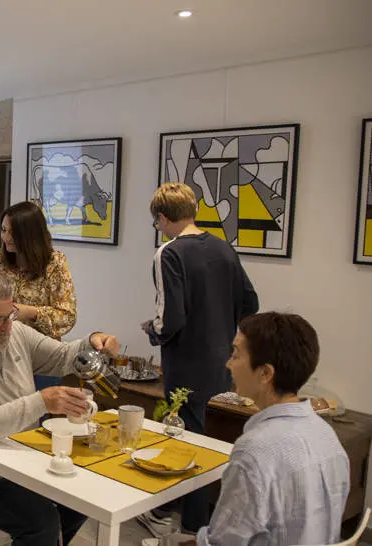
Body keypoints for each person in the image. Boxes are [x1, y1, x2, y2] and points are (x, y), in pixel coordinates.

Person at [0, 271, 120, 546]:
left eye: (10, 315)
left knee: (84, 497)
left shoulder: (15, 333)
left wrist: (92, 341)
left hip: (21, 455)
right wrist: (40, 401)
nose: (7, 326)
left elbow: (62, 357)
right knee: (41, 522)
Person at [139, 183, 259, 536]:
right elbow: (250, 303)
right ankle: (174, 511)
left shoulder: (169, 253)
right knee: (207, 438)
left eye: (156, 222)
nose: (158, 228)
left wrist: (152, 330)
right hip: (222, 361)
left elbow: (170, 319)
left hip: (186, 363)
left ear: (163, 217)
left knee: (188, 439)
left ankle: (191, 527)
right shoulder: (223, 248)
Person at [169, 312, 349, 546]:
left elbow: (221, 543)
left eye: (236, 354)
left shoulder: (255, 450)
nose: (228, 363)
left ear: (265, 373)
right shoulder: (327, 436)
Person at [0, 201, 77, 391]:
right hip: (4, 354)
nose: (6, 238)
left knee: (39, 409)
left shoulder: (55, 263)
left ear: (30, 235)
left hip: (41, 359)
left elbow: (67, 317)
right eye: (3, 230)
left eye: (13, 233)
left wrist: (30, 312)